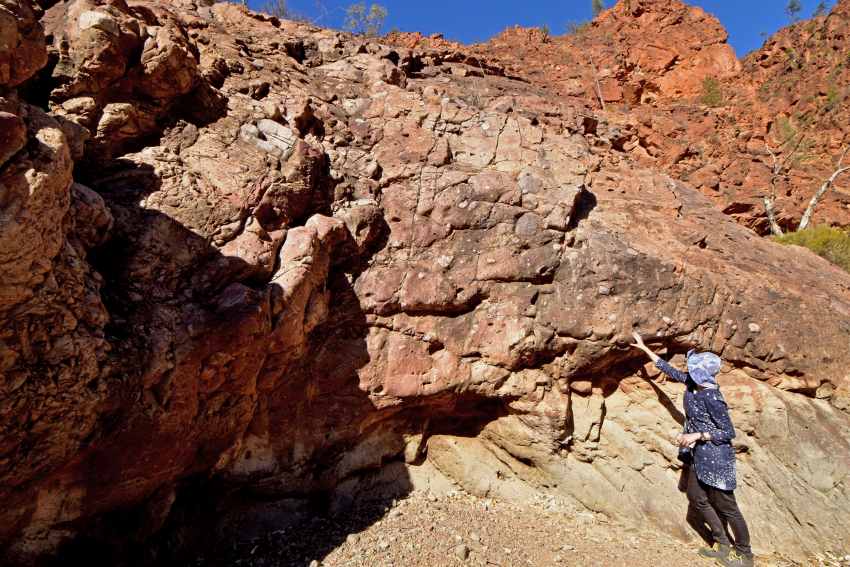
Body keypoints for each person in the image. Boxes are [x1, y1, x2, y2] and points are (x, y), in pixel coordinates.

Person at [630, 332, 753, 567]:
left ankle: (745, 555)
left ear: (702, 373)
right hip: (698, 456)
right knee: (696, 497)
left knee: (728, 507)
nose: (688, 371)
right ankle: (722, 543)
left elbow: (728, 432)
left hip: (717, 459)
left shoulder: (713, 397)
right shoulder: (692, 383)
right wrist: (644, 348)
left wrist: (697, 435)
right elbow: (669, 370)